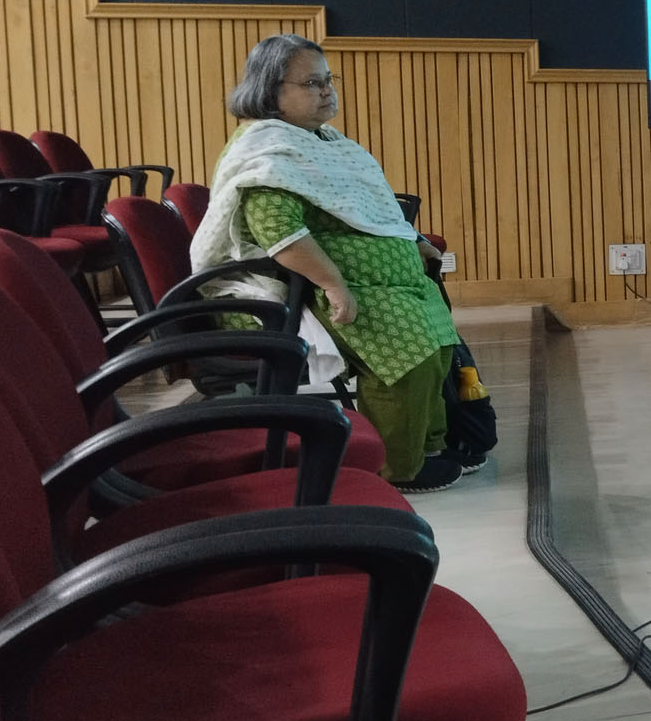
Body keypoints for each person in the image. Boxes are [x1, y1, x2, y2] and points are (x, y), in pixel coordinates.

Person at [192, 34, 466, 494]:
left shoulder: (324, 140)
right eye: (311, 83)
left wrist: (413, 240)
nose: (326, 91)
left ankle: (428, 447)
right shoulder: (266, 152)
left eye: (328, 79)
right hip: (305, 292)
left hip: (376, 284)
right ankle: (396, 469)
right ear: (270, 90)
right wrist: (335, 284)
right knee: (406, 355)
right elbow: (278, 231)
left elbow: (368, 208)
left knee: (437, 345)